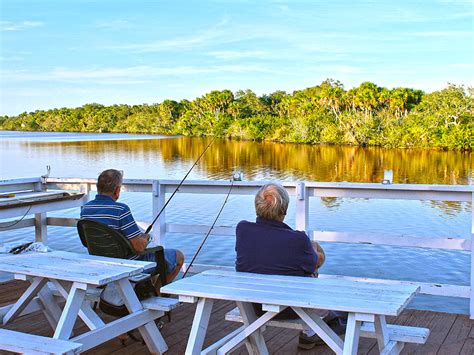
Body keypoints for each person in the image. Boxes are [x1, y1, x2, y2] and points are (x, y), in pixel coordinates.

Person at [235, 182, 345, 350]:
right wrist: (312, 247)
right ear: (284, 210)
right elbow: (316, 263)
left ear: (257, 207)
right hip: (291, 309)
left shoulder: (242, 229)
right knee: (313, 259)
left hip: (253, 306)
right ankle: (309, 331)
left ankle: (311, 330)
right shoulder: (297, 240)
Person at [80, 169, 184, 284]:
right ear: (117, 190)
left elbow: (86, 242)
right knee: (178, 257)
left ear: (98, 187)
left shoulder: (86, 209)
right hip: (126, 264)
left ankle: (141, 292)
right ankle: (157, 292)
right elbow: (138, 247)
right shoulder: (121, 210)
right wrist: (145, 238)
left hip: (100, 261)